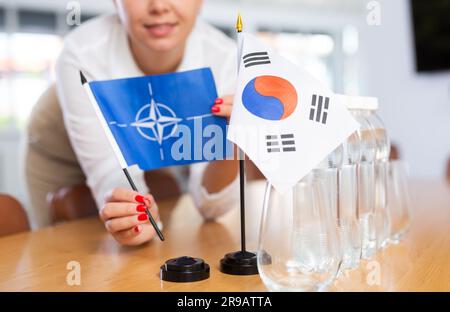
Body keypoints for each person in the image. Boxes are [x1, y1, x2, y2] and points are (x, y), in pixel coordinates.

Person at [55, 0, 239, 245]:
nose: (159, 6)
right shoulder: (83, 52)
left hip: (158, 149)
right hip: (63, 148)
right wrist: (135, 220)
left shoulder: (224, 57)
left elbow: (212, 208)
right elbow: (109, 171)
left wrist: (232, 143)